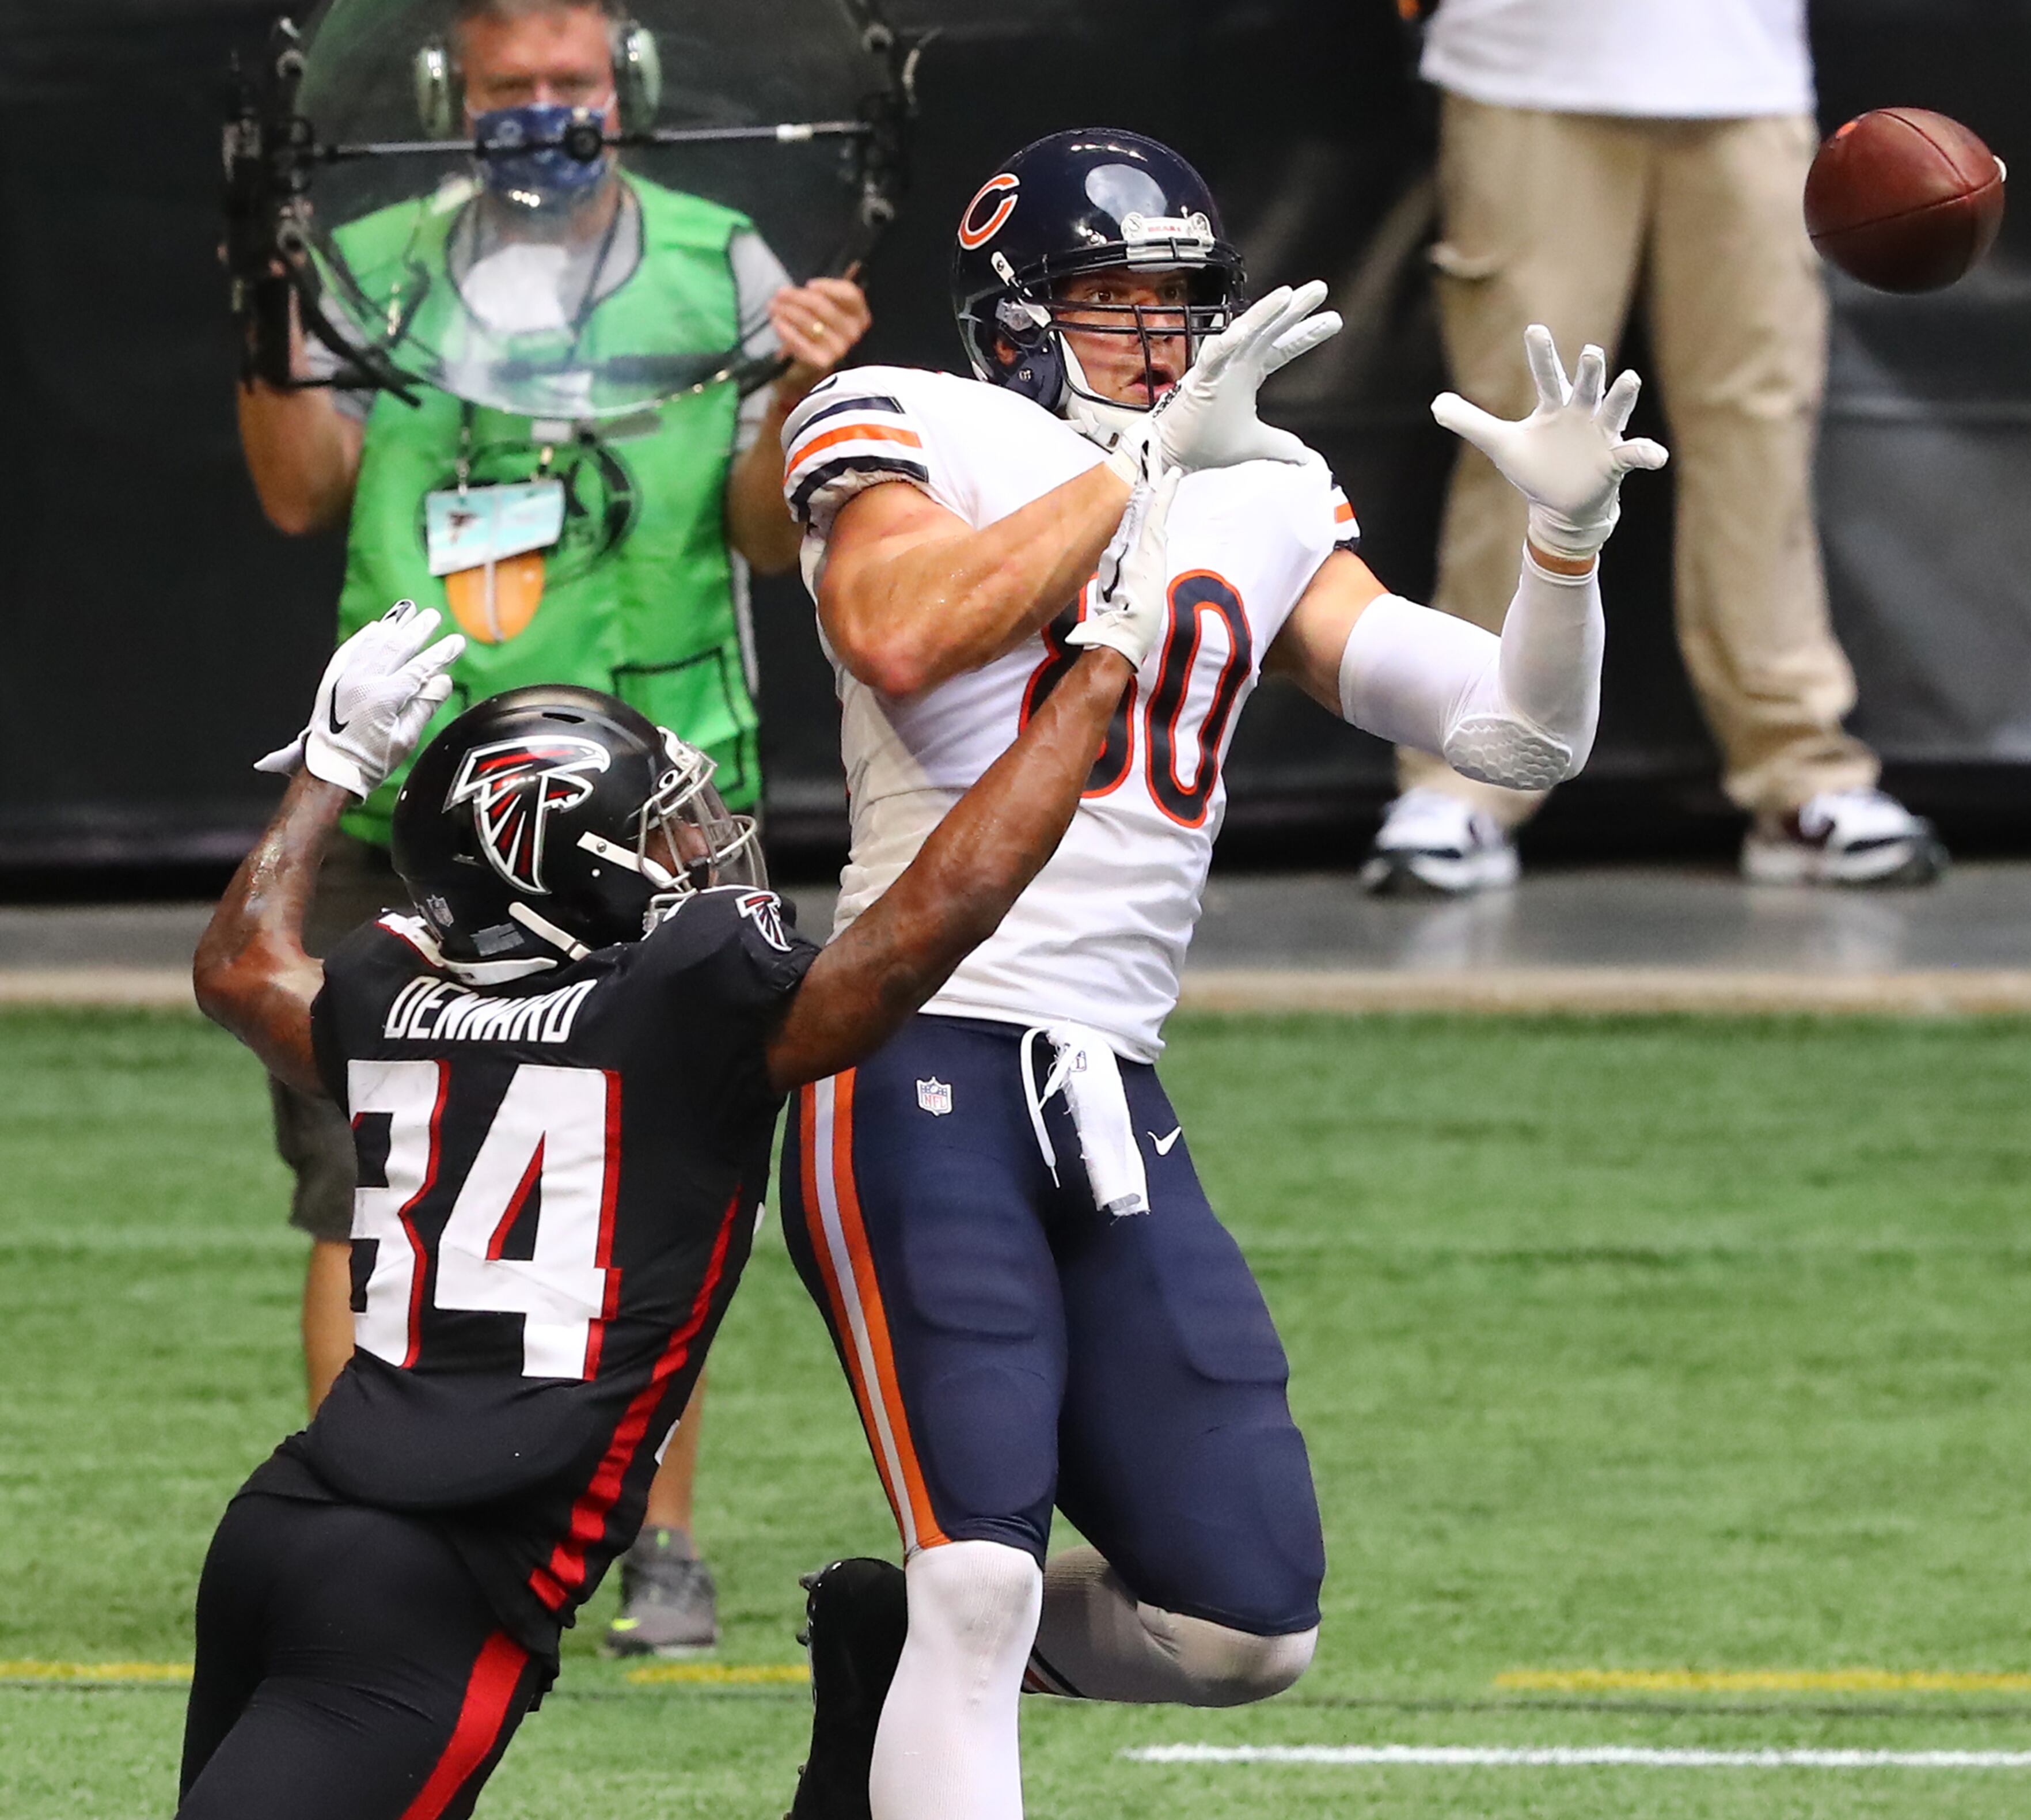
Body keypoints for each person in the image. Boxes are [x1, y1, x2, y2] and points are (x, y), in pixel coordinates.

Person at [770, 127, 1665, 1820]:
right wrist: (1137, 473)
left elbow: (1515, 733)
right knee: (982, 1578)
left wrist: (1562, 552)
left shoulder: (1260, 483)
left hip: (1108, 1079)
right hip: (912, 1052)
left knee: (1245, 1626)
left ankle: (883, 1675)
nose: (1160, 345)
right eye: (1112, 307)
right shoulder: (908, 415)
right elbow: (898, 633)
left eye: (1180, 306)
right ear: (1017, 317)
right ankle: (938, 1654)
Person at [177, 524, 1174, 1818]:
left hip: (283, 1522)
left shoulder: (388, 995)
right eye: (664, 830)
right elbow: (943, 914)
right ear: (561, 870)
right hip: (445, 1581)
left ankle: (852, 1749)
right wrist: (1095, 676)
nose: (702, 846)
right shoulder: (685, 1013)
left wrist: (329, 765)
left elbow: (238, 964)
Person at [234, 0, 871, 1651]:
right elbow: (298, 490)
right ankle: (372, 1521)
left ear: (628, 87)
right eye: (508, 88)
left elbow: (767, 538)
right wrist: (267, 315)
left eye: (569, 84)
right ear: (456, 94)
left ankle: (654, 1541)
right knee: (367, 1180)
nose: (540, 112)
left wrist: (805, 390)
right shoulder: (366, 256)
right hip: (419, 785)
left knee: (667, 1171)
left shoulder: (726, 261)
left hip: (650, 802)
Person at [1365, 0, 1947, 894]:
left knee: (1758, 443)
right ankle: (1467, 776)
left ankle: (1799, 773)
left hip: (1746, 74)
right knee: (1520, 436)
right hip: (1521, 66)